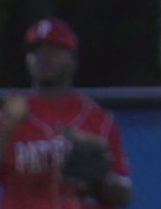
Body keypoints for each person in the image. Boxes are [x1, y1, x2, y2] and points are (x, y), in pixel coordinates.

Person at [0, 18, 132, 208]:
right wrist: (7, 129)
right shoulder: (10, 117)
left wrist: (104, 181)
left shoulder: (98, 119)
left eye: (53, 49)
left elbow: (124, 195)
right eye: (35, 50)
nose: (43, 56)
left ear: (73, 59)